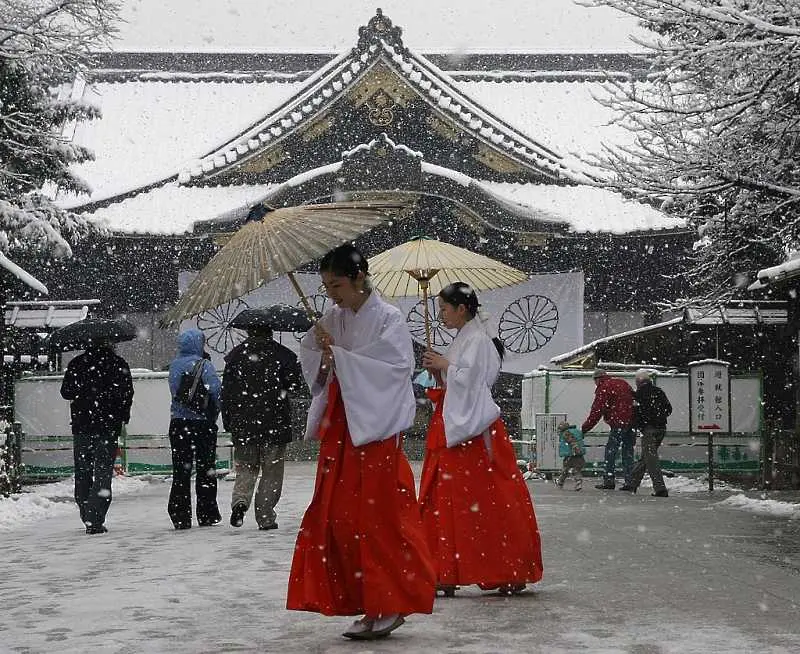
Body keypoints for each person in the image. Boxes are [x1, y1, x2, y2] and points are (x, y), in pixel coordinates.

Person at [286, 244, 435, 641]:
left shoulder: (389, 318)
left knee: (379, 518)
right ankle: (365, 600)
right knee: (339, 516)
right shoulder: (331, 319)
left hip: (376, 429)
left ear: (358, 277)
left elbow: (395, 368)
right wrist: (321, 353)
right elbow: (315, 364)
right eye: (326, 287)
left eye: (336, 284)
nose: (331, 294)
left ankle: (391, 600)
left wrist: (344, 359)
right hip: (342, 427)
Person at [419, 282, 543, 597]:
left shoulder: (479, 340)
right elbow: (462, 379)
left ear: (462, 309)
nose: (441, 315)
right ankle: (447, 567)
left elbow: (476, 383)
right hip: (459, 427)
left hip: (472, 431)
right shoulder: (468, 338)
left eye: (445, 309)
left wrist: (445, 366)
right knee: (460, 499)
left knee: (476, 499)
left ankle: (488, 567)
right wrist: (441, 370)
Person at [222, 325, 301, 530]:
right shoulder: (283, 355)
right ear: (270, 331)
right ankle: (265, 516)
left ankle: (240, 501)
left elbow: (227, 393)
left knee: (246, 467)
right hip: (274, 422)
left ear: (248, 332)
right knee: (271, 471)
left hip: (243, 423)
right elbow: (295, 386)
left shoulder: (235, 357)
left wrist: (229, 420)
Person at [60, 340, 134, 534]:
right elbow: (127, 394)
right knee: (103, 473)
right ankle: (95, 515)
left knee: (83, 472)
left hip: (82, 427)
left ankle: (87, 513)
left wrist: (83, 393)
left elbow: (66, 392)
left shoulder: (77, 364)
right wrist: (122, 416)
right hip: (108, 428)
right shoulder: (118, 364)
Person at [167, 328, 222, 529]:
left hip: (179, 423)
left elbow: (175, 391)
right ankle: (207, 513)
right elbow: (215, 390)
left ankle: (180, 515)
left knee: (181, 470)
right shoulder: (205, 365)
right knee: (206, 468)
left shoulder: (174, 365)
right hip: (202, 424)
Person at [581, 369, 635, 491]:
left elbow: (596, 411)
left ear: (597, 379)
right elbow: (633, 399)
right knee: (628, 452)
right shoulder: (622, 383)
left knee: (610, 452)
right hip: (631, 423)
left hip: (618, 423)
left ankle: (609, 480)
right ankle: (630, 481)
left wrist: (584, 428)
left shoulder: (604, 388)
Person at [630, 369, 672, 497]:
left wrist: (641, 426)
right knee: (647, 458)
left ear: (638, 382)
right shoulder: (659, 391)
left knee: (651, 460)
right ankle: (632, 484)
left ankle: (660, 489)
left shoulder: (638, 394)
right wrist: (660, 417)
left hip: (649, 430)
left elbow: (636, 414)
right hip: (661, 429)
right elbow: (669, 409)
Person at [555, 421, 586, 491]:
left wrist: (575, 449)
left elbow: (572, 441)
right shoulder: (577, 432)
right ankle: (578, 483)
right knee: (576, 470)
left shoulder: (566, 433)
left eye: (559, 430)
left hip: (571, 454)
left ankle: (560, 482)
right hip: (578, 455)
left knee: (565, 469)